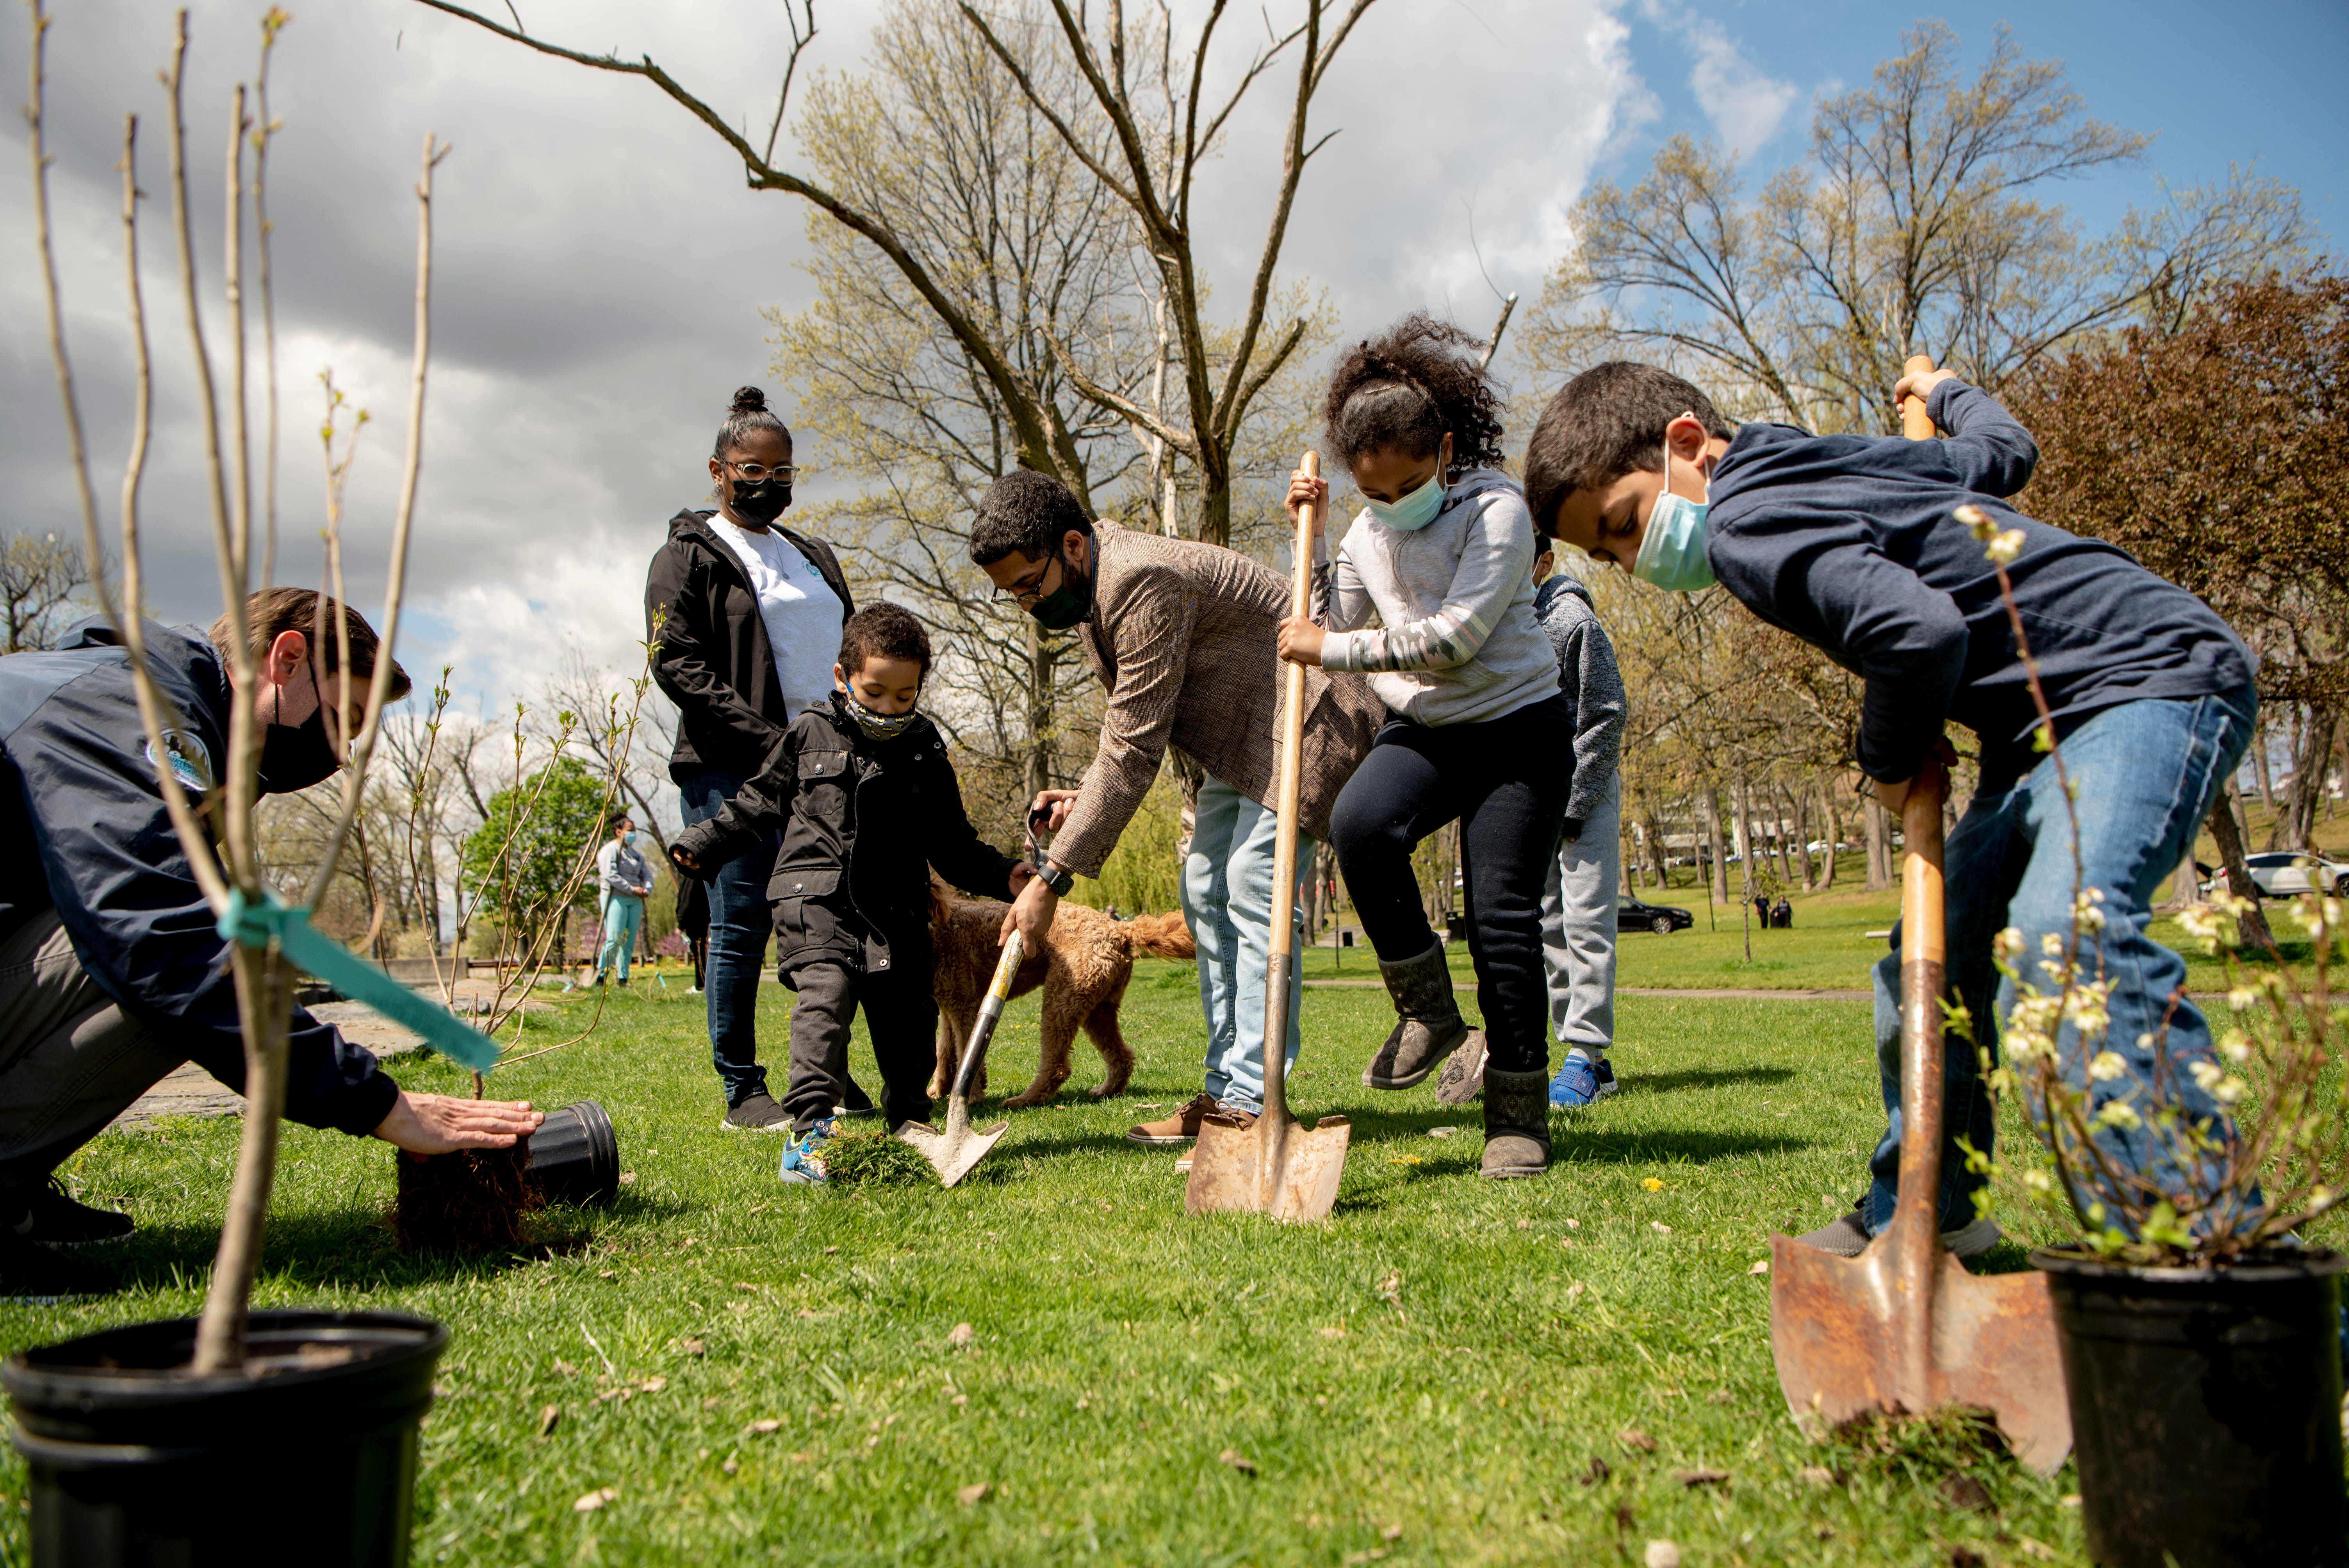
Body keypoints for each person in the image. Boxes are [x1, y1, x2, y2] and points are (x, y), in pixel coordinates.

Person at [1523, 360, 2258, 1254]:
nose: (1637, 563)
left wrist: (1883, 757)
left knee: (2070, 940)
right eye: (1609, 557)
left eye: (1625, 525)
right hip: (2036, 735)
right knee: (1929, 968)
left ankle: (2224, 1265)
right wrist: (1945, 392)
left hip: (2137, 684)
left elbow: (1915, 632)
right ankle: (1922, 1213)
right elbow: (2002, 453)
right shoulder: (1830, 464)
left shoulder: (1743, 520)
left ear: (1686, 445)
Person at [0, 590, 542, 1297]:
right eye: (344, 718)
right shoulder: (131, 709)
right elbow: (162, 940)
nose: (342, 754)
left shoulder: (137, 694)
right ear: (287, 659)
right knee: (192, 951)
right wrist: (377, 1102)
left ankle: (17, 1189)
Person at [973, 472, 1383, 1151]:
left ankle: (1253, 1100)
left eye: (1027, 585)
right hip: (1248, 739)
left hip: (1313, 715)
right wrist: (1087, 797)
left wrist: (1051, 878)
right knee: (1203, 892)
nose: (1023, 603)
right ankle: (1227, 1091)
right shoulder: (1091, 591)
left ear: (1071, 545)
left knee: (1254, 887)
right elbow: (1134, 724)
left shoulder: (1139, 579)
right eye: (1009, 593)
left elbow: (1134, 744)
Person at [1278, 315, 1570, 1179]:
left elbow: (1451, 641)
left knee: (1500, 920)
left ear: (1444, 448)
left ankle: (1516, 1115)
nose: (1395, 503)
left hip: (1518, 730)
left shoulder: (1497, 511)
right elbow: (1335, 625)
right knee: (1361, 824)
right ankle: (1428, 1012)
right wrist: (1326, 534)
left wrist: (1325, 646)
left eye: (1409, 482)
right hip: (1429, 731)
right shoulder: (1368, 532)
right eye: (1374, 491)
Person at [668, 604, 1032, 1184]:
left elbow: (953, 841)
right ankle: (810, 1131)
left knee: (910, 1016)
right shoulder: (810, 731)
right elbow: (759, 803)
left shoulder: (924, 747)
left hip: (898, 908)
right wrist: (705, 841)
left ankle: (911, 1122)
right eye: (875, 692)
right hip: (817, 900)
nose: (889, 709)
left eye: (905, 696)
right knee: (825, 1002)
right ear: (843, 679)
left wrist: (1006, 876)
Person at [646, 385, 860, 1131]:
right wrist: (772, 741)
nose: (767, 483)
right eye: (751, 469)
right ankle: (743, 1088)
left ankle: (827, 1070)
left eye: (783, 471)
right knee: (741, 924)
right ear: (718, 469)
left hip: (826, 767)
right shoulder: (688, 555)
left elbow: (852, 653)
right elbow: (676, 662)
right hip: (730, 765)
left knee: (831, 920)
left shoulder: (813, 555)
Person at [1522, 544, 1627, 1109]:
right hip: (1536, 793)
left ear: (1544, 560)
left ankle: (1584, 1055)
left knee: (1586, 922)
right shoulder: (1506, 623)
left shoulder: (1571, 621)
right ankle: (1587, 1056)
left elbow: (1607, 712)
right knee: (1552, 925)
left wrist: (1576, 801)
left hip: (1586, 789)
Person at [591, 812, 654, 987]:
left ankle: (622, 978)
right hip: (615, 898)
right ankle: (600, 976)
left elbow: (647, 875)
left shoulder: (635, 854)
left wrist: (646, 889)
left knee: (628, 940)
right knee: (614, 938)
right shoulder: (609, 850)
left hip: (635, 900)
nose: (633, 833)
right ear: (619, 832)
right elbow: (610, 875)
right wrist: (631, 889)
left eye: (634, 830)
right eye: (630, 830)